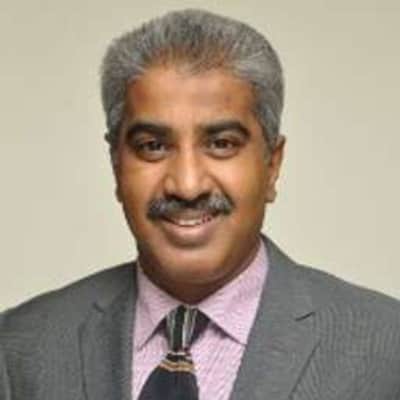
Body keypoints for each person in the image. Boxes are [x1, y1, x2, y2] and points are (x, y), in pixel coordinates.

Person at [1, 9, 399, 400]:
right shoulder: (17, 349)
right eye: (152, 146)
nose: (187, 186)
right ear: (116, 164)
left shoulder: (387, 349)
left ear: (272, 165)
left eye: (221, 144)